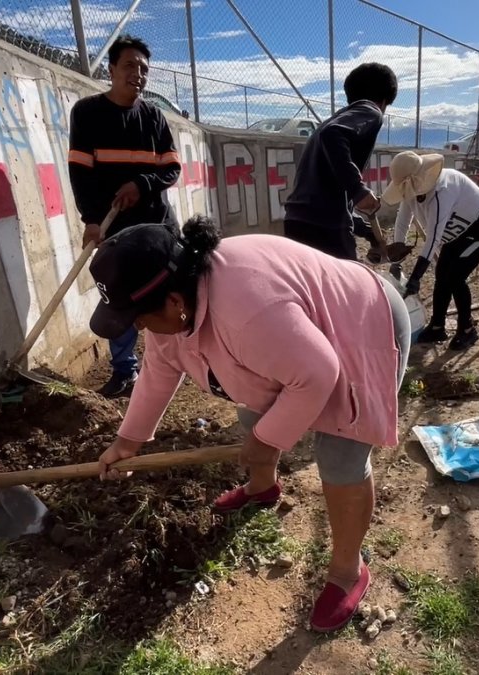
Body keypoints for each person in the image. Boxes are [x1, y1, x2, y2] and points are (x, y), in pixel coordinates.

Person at [88, 216, 411, 633]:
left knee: (340, 453)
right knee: (251, 410)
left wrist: (267, 440)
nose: (136, 326)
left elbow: (316, 374)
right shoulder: (175, 303)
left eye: (137, 316)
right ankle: (263, 487)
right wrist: (127, 442)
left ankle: (349, 571)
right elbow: (159, 370)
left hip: (363, 319)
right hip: (299, 338)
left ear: (172, 302)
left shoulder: (245, 312)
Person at [68, 34, 181, 398]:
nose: (138, 73)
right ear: (111, 68)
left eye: (144, 68)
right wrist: (91, 220)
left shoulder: (153, 117)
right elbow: (80, 172)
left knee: (172, 292)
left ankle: (179, 360)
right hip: (116, 227)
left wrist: (142, 184)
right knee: (119, 297)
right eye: (130, 65)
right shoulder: (87, 114)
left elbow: (172, 168)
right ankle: (126, 370)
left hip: (158, 228)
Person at [382, 151, 479, 352]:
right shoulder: (411, 190)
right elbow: (402, 221)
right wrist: (397, 255)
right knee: (442, 275)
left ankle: (467, 329)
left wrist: (416, 277)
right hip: (454, 234)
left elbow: (434, 238)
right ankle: (437, 326)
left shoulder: (442, 191)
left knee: (455, 277)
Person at [282, 63, 398, 261]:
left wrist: (367, 231)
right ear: (385, 100)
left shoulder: (330, 122)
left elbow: (329, 197)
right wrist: (358, 189)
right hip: (325, 227)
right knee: (347, 289)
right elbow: (332, 134)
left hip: (297, 221)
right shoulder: (371, 111)